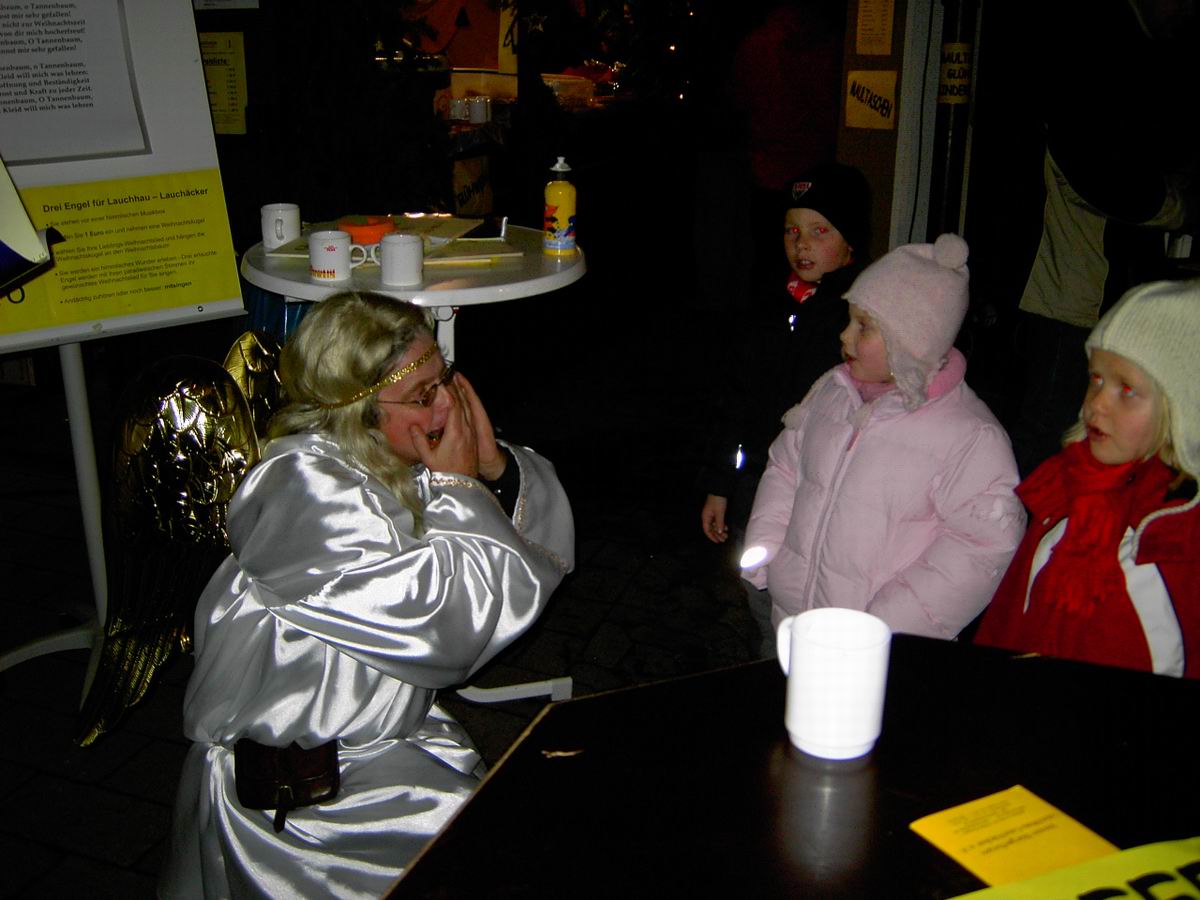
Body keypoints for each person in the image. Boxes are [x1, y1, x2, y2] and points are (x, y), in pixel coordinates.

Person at [158, 292, 575, 899]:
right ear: (357, 410)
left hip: (377, 757)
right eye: (424, 394)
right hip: (303, 811)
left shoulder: (383, 458)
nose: (450, 403)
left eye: (447, 379)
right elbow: (451, 629)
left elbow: (520, 561)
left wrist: (495, 473)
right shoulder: (303, 493)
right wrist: (462, 487)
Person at [741, 234, 1024, 640]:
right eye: (849, 321)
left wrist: (884, 625)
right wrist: (769, 551)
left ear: (909, 341)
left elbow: (981, 543)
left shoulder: (968, 436)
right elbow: (786, 467)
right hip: (792, 621)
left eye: (864, 326)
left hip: (876, 646)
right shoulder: (832, 393)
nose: (845, 336)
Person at [975, 280, 1200, 677]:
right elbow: (1007, 617)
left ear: (1182, 403)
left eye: (1126, 389)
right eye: (1095, 379)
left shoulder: (1172, 542)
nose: (1097, 404)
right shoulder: (1069, 485)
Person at [700, 161, 871, 547]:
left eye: (819, 231)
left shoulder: (858, 319)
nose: (801, 244)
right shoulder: (765, 307)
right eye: (792, 230)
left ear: (851, 242)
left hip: (827, 492)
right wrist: (719, 485)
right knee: (754, 570)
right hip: (759, 483)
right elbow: (734, 400)